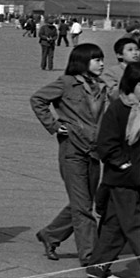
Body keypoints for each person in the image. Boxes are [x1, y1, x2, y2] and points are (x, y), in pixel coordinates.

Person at [30, 43, 107, 266]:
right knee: (83, 207)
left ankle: (50, 234)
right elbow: (38, 99)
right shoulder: (66, 83)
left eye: (102, 59)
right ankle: (90, 256)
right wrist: (54, 125)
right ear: (83, 61)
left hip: (94, 151)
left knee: (83, 202)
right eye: (96, 59)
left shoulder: (100, 87)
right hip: (72, 150)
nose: (101, 63)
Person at [87, 62, 140, 278]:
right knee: (135, 224)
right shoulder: (120, 108)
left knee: (114, 223)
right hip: (124, 178)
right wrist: (124, 165)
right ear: (132, 84)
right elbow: (106, 144)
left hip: (134, 176)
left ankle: (98, 267)